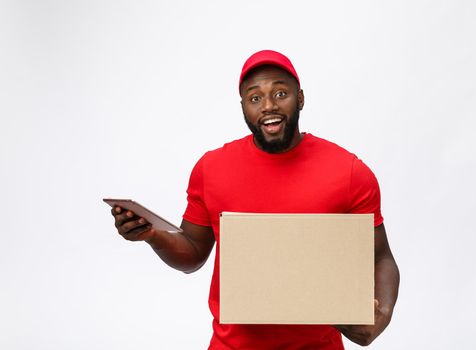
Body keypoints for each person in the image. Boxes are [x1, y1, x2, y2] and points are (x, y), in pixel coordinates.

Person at [111, 50, 400, 349]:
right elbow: (194, 254)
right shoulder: (212, 169)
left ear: (300, 99)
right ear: (243, 107)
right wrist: (153, 236)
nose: (269, 106)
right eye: (255, 98)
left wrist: (382, 315)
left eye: (280, 93)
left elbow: (379, 257)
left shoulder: (349, 172)